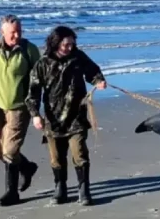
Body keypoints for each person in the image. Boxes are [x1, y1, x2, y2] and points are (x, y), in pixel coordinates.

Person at [25, 25, 107, 206]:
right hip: (53, 119)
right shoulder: (43, 63)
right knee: (56, 157)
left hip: (76, 115)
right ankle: (60, 188)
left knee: (79, 153)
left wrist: (99, 80)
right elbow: (33, 91)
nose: (70, 47)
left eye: (72, 43)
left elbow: (92, 71)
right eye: (66, 44)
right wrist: (35, 115)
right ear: (56, 43)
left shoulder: (78, 57)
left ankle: (84, 190)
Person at [0, 14, 41, 207]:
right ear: (2, 32)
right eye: (12, 32)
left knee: (10, 151)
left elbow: (38, 80)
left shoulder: (29, 50)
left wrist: (35, 107)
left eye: (19, 31)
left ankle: (12, 193)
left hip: (19, 108)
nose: (16, 35)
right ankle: (27, 167)